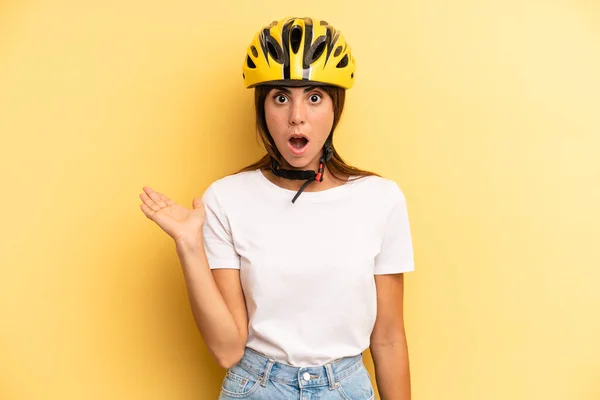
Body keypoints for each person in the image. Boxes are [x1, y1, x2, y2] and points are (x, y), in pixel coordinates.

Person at [139, 16, 415, 400]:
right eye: (281, 97)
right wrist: (189, 244)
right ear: (263, 107)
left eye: (314, 97)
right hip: (257, 387)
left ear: (336, 106)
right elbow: (226, 349)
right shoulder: (226, 198)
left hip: (346, 388)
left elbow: (387, 340)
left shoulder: (380, 199)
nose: (296, 115)